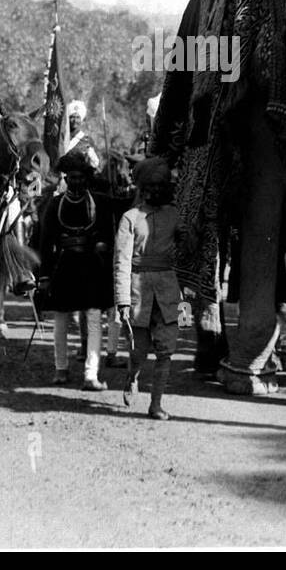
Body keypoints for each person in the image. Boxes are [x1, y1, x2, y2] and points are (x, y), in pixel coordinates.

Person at [35, 149, 116, 390]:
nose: (77, 181)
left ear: (86, 178)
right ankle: (61, 368)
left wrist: (104, 246)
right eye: (72, 177)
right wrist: (45, 276)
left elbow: (108, 234)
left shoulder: (99, 202)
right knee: (60, 319)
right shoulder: (55, 204)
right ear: (65, 179)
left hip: (92, 267)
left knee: (93, 318)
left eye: (81, 177)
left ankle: (91, 374)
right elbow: (45, 242)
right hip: (64, 267)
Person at [115, 157, 182, 420]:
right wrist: (122, 301)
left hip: (169, 292)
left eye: (161, 186)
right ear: (141, 189)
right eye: (150, 186)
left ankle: (156, 404)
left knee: (166, 350)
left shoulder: (175, 216)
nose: (156, 191)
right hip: (137, 293)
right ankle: (132, 377)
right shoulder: (129, 219)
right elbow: (121, 262)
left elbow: (187, 252)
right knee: (137, 351)